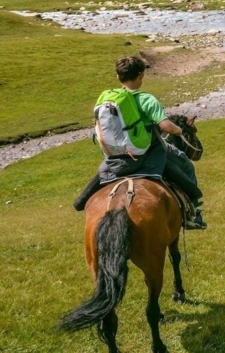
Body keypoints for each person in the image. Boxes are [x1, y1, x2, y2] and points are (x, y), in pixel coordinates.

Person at [73, 56, 207, 229]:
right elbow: (165, 126)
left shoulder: (111, 100)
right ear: (141, 75)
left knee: (102, 173)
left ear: (118, 77)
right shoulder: (147, 99)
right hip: (148, 153)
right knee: (186, 165)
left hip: (119, 156)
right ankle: (193, 213)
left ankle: (81, 201)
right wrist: (179, 130)